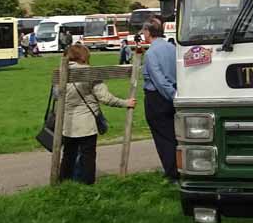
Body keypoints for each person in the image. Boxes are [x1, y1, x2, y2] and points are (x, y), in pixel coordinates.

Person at [59, 44, 136, 184]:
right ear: (84, 56)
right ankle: (87, 185)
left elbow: (57, 96)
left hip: (67, 123)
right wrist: (125, 103)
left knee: (68, 156)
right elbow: (105, 98)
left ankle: (64, 184)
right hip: (86, 124)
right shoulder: (90, 73)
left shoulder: (60, 72)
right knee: (88, 157)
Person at [141, 17, 178, 182]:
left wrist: (172, 96)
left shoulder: (151, 53)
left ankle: (172, 173)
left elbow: (159, 79)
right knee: (175, 134)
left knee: (163, 138)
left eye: (144, 31)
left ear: (148, 32)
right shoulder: (172, 48)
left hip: (158, 97)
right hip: (175, 91)